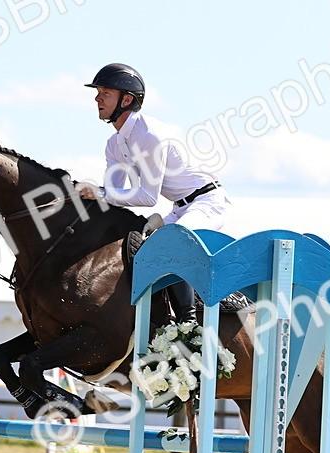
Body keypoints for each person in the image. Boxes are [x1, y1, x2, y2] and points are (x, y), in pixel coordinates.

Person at [77, 63, 231, 325]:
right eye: (98, 91)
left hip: (208, 202)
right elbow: (113, 193)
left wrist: (100, 193)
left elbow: (147, 198)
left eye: (105, 92)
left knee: (172, 242)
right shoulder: (114, 144)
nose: (97, 97)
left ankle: (188, 322)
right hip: (179, 208)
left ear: (127, 100)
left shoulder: (150, 135)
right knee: (139, 248)